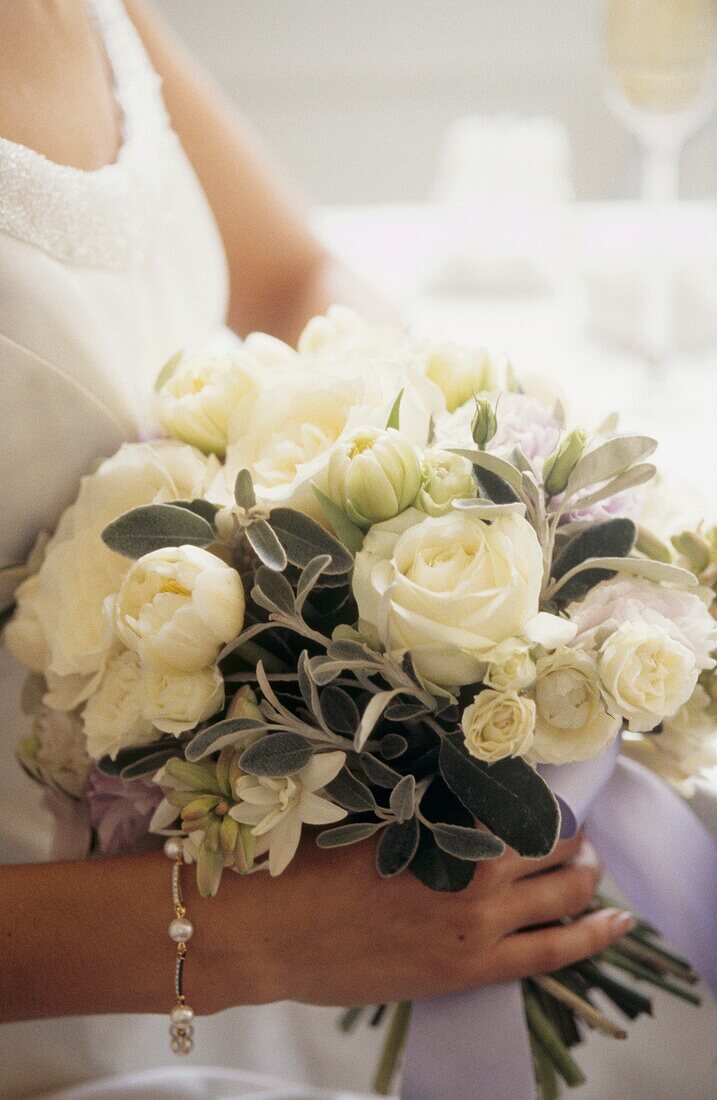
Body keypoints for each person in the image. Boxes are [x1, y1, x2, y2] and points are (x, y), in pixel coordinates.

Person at [0, 3, 645, 1098]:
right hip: (110, 970)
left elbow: (295, 278)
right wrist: (258, 939)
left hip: (244, 834)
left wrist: (456, 484)